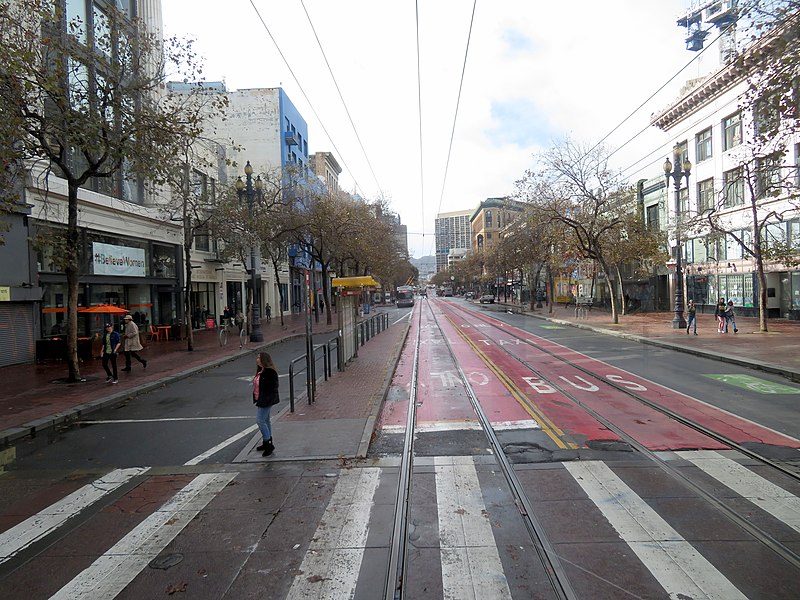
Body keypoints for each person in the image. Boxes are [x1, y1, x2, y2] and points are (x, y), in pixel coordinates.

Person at [253, 351, 280, 457]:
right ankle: (267, 442)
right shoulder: (261, 371)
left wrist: (265, 400)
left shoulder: (270, 372)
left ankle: (268, 443)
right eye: (257, 357)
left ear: (264, 360)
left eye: (259, 358)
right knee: (266, 420)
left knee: (260, 421)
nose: (257, 359)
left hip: (266, 400)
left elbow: (273, 387)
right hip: (261, 399)